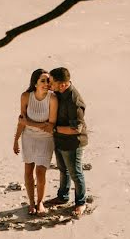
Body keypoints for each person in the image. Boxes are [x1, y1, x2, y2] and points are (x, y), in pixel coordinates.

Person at [13, 69, 58, 215]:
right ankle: (31, 202)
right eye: (43, 81)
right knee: (28, 169)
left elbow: (50, 126)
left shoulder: (52, 99)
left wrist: (29, 123)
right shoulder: (26, 96)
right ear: (35, 83)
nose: (46, 84)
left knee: (40, 172)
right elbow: (21, 121)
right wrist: (15, 140)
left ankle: (40, 203)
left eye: (48, 81)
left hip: (46, 138)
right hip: (28, 138)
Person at [49, 66, 88, 217]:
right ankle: (63, 196)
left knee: (75, 173)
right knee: (63, 170)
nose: (50, 85)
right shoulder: (59, 92)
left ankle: (81, 203)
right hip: (60, 140)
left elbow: (76, 129)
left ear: (62, 84)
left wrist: (53, 130)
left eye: (52, 83)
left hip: (73, 143)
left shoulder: (74, 101)